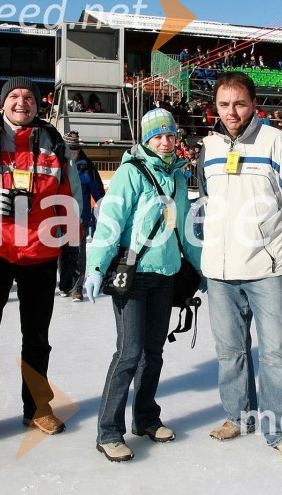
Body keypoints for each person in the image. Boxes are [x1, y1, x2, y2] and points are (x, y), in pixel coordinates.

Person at [0, 77, 82, 444]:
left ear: (38, 104)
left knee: (37, 339)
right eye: (14, 96)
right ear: (2, 102)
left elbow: (70, 197)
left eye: (28, 96)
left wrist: (73, 250)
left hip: (39, 254)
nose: (21, 101)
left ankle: (37, 408)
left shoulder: (53, 143)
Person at [197, 72, 282, 462]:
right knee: (231, 352)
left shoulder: (277, 142)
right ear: (216, 106)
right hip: (220, 271)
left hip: (268, 270)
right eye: (224, 104)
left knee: (276, 355)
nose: (232, 112)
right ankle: (238, 416)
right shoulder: (209, 147)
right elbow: (207, 205)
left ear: (253, 104)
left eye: (239, 103)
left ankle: (281, 431)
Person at [84, 108, 202, 462]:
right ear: (146, 139)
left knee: (154, 352)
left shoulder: (179, 177)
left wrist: (200, 268)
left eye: (170, 135)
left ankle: (147, 418)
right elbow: (110, 222)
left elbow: (184, 230)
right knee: (128, 352)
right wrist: (94, 266)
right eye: (157, 136)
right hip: (133, 276)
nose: (165, 141)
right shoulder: (130, 172)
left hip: (165, 276)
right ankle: (108, 431)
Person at [58, 131, 105, 301]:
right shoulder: (57, 164)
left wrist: (102, 207)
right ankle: (65, 284)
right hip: (60, 218)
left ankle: (77, 287)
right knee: (62, 254)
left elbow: (98, 192)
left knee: (78, 254)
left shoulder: (87, 166)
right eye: (69, 150)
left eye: (75, 151)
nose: (72, 154)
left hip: (81, 219)